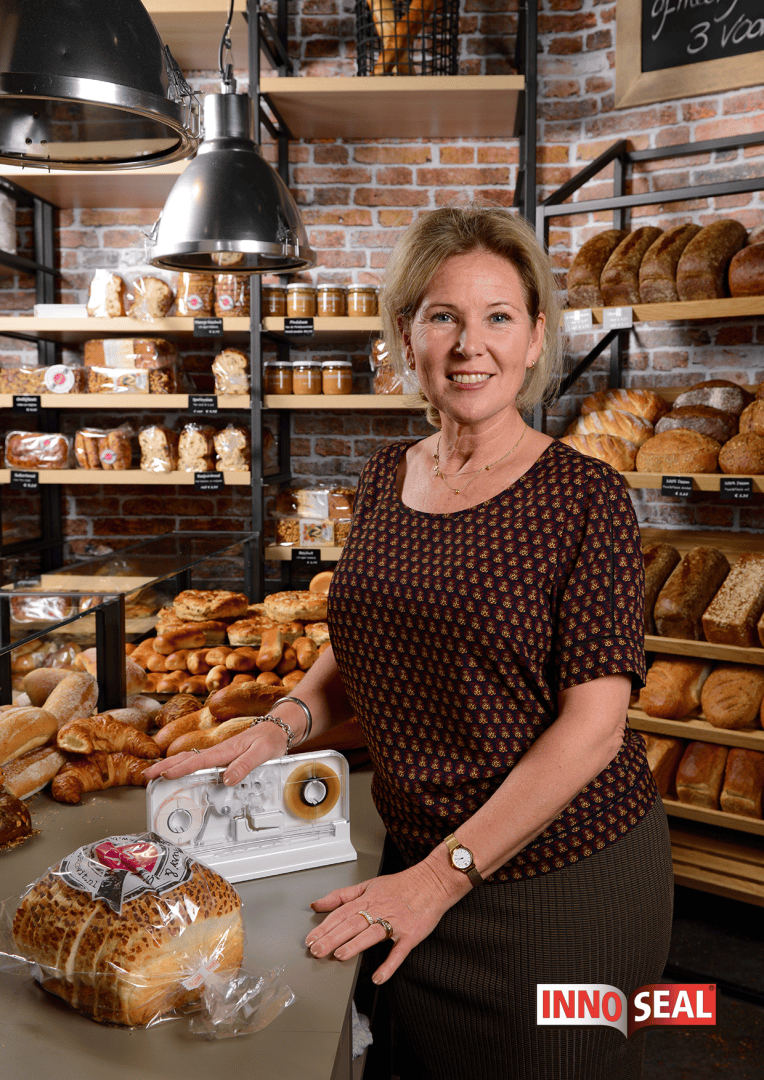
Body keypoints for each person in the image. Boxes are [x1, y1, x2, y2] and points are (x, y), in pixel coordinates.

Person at [146, 207, 673, 1080]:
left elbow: (595, 728)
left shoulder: (587, 498)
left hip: (560, 880)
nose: (472, 345)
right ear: (406, 337)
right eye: (443, 316)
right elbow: (369, 636)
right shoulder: (389, 472)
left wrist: (445, 876)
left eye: (499, 317)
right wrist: (278, 724)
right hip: (416, 862)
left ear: (537, 338)